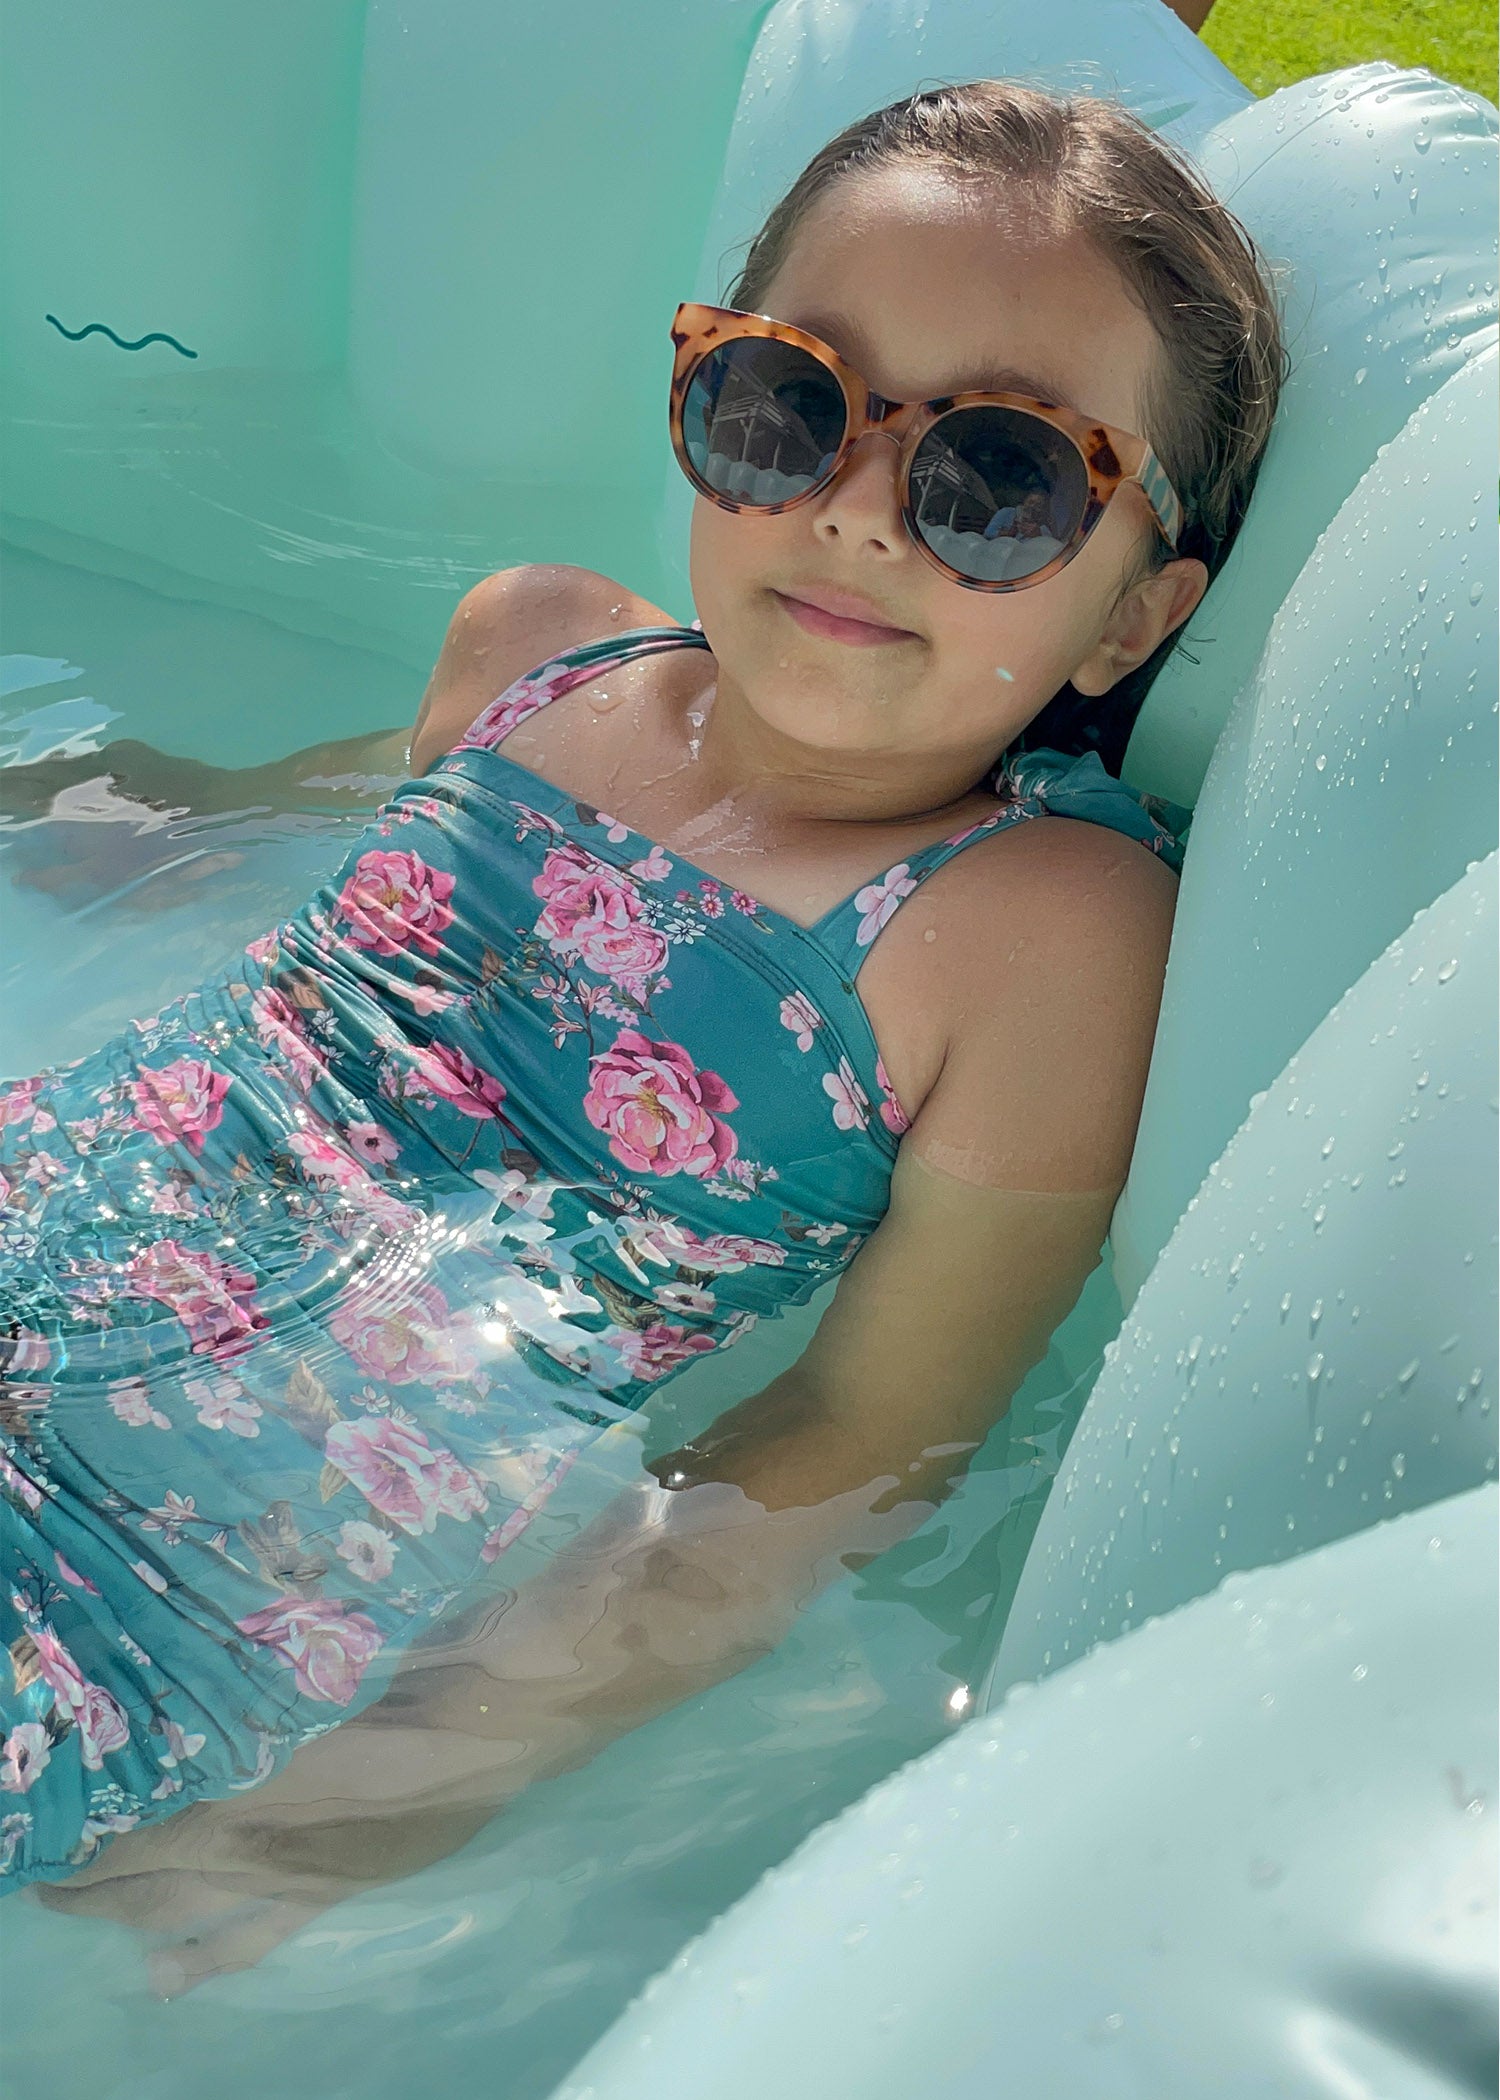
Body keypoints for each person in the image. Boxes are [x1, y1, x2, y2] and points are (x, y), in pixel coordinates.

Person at [0, 79, 1285, 1984]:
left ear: (1130, 621)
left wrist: (392, 1791)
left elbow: (858, 1440)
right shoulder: (534, 648)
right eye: (791, 404)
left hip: (171, 1567)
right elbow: (261, 824)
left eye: (998, 479)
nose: (855, 510)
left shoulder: (1034, 934)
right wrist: (99, 803)